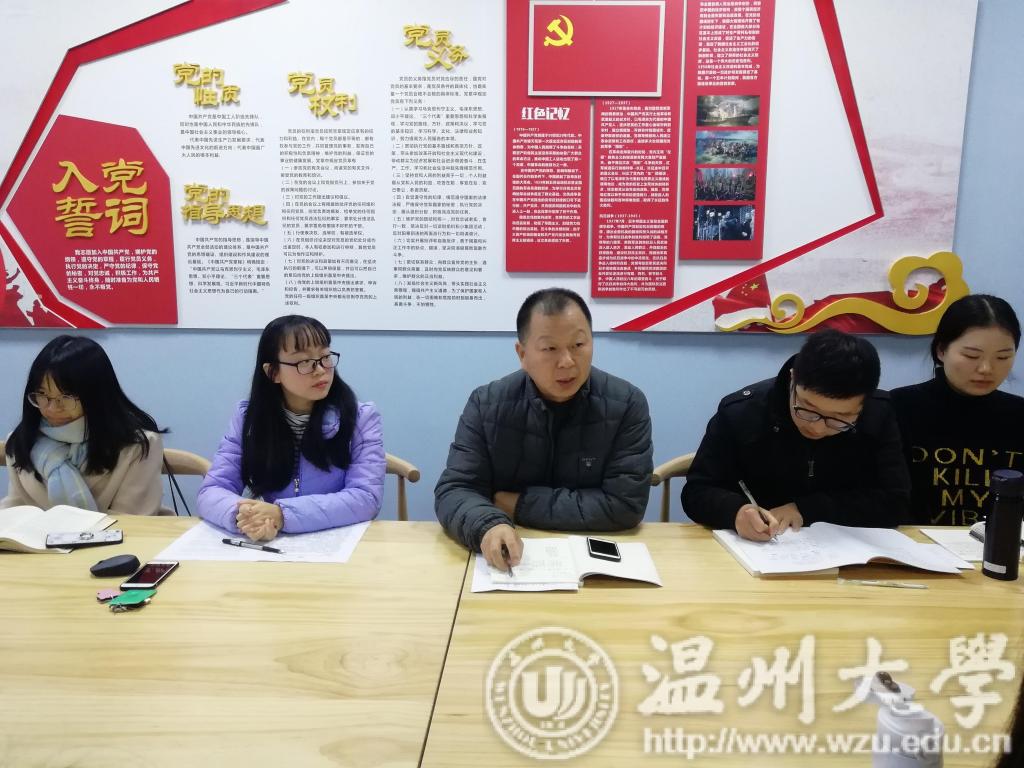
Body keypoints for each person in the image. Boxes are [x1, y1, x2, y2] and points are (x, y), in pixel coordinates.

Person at [434, 288, 653, 570]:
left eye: (578, 344)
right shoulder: (486, 404)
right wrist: (488, 524)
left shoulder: (626, 404)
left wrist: (518, 504)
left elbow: (625, 505)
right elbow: (456, 489)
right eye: (550, 349)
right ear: (522, 354)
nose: (567, 361)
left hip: (596, 559)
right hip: (512, 558)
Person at [682, 328, 910, 540]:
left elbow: (895, 501)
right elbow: (697, 491)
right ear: (793, 379)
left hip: (847, 550)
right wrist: (735, 512)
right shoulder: (742, 412)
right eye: (808, 409)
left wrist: (806, 509)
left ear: (864, 403)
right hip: (760, 548)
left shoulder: (879, 414)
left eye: (840, 419)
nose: (817, 428)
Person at [198, 315, 384, 540]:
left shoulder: (360, 417)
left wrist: (283, 515)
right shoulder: (249, 419)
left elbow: (366, 498)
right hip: (276, 542)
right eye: (304, 361)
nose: (320, 369)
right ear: (273, 372)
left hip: (340, 541)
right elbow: (212, 490)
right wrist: (246, 515)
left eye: (325, 357)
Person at [891, 294, 1024, 526]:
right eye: (971, 355)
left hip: (1004, 545)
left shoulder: (1019, 414)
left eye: (1003, 357)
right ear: (941, 350)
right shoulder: (897, 407)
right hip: (911, 544)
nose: (986, 368)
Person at [2, 335, 166, 515]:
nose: (52, 408)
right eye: (42, 395)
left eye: (66, 397)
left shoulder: (137, 445)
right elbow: (16, 509)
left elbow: (134, 520)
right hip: (37, 534)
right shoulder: (22, 441)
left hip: (119, 532)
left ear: (96, 395)